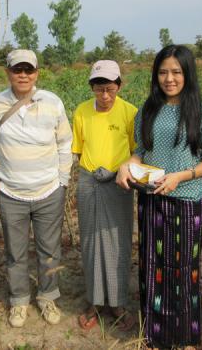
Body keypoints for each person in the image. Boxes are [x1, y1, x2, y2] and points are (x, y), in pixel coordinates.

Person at [117, 45, 202, 348]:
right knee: (152, 266)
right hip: (152, 199)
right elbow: (140, 150)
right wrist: (128, 166)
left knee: (183, 270)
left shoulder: (201, 113)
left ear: (187, 74)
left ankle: (185, 335)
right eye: (163, 72)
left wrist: (181, 176)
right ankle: (154, 335)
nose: (169, 78)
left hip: (186, 201)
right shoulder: (147, 110)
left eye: (176, 72)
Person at [0, 49, 72, 328]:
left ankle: (47, 296)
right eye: (17, 70)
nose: (23, 75)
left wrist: (62, 181)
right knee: (15, 251)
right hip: (11, 193)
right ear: (7, 72)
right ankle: (19, 301)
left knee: (49, 250)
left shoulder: (52, 102)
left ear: (37, 73)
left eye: (28, 70)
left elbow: (64, 144)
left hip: (48, 191)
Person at [71, 60, 138, 331]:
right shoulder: (82, 112)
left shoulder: (131, 113)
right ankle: (96, 301)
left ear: (120, 86)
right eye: (99, 89)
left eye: (110, 89)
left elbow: (138, 151)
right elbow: (77, 150)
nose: (105, 96)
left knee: (119, 240)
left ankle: (118, 302)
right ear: (92, 88)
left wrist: (120, 171)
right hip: (89, 181)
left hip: (120, 183)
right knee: (90, 241)